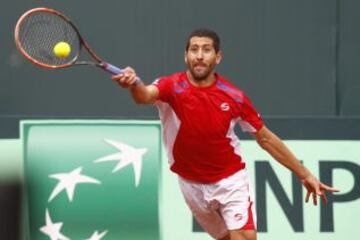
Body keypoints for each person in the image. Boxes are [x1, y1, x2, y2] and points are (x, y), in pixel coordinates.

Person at [111, 28, 339, 240]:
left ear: (217, 57)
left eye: (206, 50)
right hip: (190, 184)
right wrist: (134, 83)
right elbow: (145, 95)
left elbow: (266, 138)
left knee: (245, 237)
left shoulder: (234, 97)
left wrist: (303, 174)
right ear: (186, 56)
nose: (199, 55)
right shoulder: (171, 86)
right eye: (194, 49)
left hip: (229, 180)